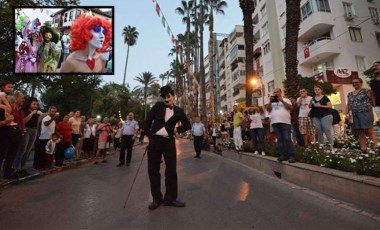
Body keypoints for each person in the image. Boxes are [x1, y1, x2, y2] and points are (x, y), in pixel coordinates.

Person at [143, 85, 191, 210]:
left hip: (168, 142)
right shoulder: (158, 106)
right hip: (154, 141)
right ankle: (156, 198)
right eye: (164, 97)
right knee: (153, 170)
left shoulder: (179, 110)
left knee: (171, 170)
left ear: (173, 96)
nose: (167, 99)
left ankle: (170, 198)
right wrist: (145, 135)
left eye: (169, 96)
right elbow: (148, 120)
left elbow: (188, 125)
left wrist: (177, 129)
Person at [346, 78, 378, 152]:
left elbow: (373, 101)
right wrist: (346, 114)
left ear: (361, 83)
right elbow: (348, 104)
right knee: (359, 131)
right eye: (353, 82)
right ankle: (364, 149)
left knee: (370, 130)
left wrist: (373, 108)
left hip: (366, 112)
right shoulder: (350, 94)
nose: (354, 84)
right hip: (354, 114)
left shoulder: (366, 91)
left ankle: (376, 148)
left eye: (356, 82)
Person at [13, 97, 42, 177]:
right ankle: (15, 168)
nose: (35, 106)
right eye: (34, 104)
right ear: (29, 104)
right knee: (22, 150)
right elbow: (24, 121)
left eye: (36, 104)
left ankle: (22, 168)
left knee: (28, 151)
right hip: (26, 130)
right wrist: (32, 113)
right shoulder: (24, 111)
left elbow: (37, 123)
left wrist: (37, 131)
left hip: (34, 130)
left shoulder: (37, 112)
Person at [266, 88, 296, 163]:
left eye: (277, 92)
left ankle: (292, 156)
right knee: (279, 139)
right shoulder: (272, 102)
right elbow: (268, 110)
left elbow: (291, 108)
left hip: (285, 122)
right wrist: (270, 101)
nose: (276, 93)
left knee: (287, 138)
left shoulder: (286, 100)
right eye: (274, 92)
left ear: (280, 92)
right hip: (275, 122)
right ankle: (283, 155)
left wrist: (282, 101)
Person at [369, 61, 380, 137]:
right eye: (373, 66)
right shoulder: (372, 81)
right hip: (378, 106)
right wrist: (374, 105)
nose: (374, 67)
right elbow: (373, 94)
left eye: (376, 65)